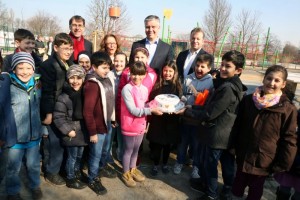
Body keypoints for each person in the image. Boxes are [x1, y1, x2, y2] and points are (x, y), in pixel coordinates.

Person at [181, 50, 247, 200]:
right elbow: (211, 107)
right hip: (224, 133)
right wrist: (192, 108)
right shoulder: (231, 84)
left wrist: (186, 112)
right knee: (224, 163)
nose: (223, 68)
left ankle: (211, 193)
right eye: (222, 64)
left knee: (210, 165)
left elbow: (210, 114)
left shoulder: (228, 89)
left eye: (228, 66)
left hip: (217, 135)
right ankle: (217, 187)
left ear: (238, 70)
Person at [230, 65, 298, 200]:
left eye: (277, 81)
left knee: (255, 190)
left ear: (283, 84)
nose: (271, 83)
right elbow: (237, 125)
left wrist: (282, 164)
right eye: (269, 78)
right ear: (263, 79)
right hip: (243, 154)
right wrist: (232, 146)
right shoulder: (249, 100)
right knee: (237, 186)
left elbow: (289, 139)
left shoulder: (287, 109)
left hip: (264, 160)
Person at [5, 52, 44, 200]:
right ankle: (12, 191)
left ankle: (34, 185)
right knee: (13, 167)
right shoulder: (7, 87)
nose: (25, 72)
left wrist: (43, 128)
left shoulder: (38, 85)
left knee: (33, 165)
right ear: (14, 69)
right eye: (20, 68)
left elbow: (41, 108)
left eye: (28, 68)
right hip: (14, 138)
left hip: (34, 136)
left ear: (33, 69)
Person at [120, 61, 163, 187]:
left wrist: (153, 104)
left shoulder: (144, 88)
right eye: (134, 74)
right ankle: (125, 173)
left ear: (145, 75)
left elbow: (143, 105)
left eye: (140, 74)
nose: (137, 77)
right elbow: (133, 110)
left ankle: (133, 169)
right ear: (130, 73)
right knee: (128, 151)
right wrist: (151, 110)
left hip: (140, 125)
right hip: (129, 125)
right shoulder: (127, 89)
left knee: (136, 150)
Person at [40, 33, 74, 186]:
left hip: (65, 110)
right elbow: (47, 91)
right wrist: (48, 113)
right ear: (55, 48)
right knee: (55, 144)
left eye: (71, 48)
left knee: (64, 141)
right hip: (53, 111)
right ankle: (51, 172)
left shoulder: (69, 62)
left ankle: (60, 169)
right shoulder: (49, 66)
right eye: (65, 48)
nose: (69, 52)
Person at [174, 54, 214, 178]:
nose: (199, 68)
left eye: (203, 66)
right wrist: (183, 102)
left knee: (197, 145)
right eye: (197, 65)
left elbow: (209, 103)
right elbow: (184, 95)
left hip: (198, 121)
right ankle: (179, 162)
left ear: (209, 68)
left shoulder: (211, 82)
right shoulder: (188, 78)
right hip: (185, 119)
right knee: (182, 143)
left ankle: (196, 166)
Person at [116, 47, 157, 166]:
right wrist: (118, 114)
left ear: (147, 59)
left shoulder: (152, 74)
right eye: (137, 57)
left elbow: (150, 95)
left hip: (143, 116)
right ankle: (126, 170)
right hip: (129, 117)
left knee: (137, 147)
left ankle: (133, 167)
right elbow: (120, 95)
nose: (139, 59)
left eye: (142, 57)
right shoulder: (126, 73)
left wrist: (150, 112)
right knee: (128, 148)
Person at [83, 51, 116, 195]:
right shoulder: (92, 84)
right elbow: (87, 111)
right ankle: (92, 178)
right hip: (97, 128)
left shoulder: (107, 79)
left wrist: (112, 118)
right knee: (95, 154)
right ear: (94, 67)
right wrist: (92, 132)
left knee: (104, 151)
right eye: (104, 67)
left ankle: (99, 170)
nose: (107, 70)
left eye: (108, 67)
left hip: (107, 123)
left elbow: (110, 100)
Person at [53, 65, 88, 190]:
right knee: (72, 157)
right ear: (68, 80)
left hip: (83, 132)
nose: (75, 81)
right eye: (72, 78)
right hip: (72, 133)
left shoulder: (85, 93)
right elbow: (58, 117)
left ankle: (77, 172)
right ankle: (70, 177)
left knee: (80, 155)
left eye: (78, 78)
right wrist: (68, 130)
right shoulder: (64, 97)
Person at [146, 60, 183, 176]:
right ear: (162, 71)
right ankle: (156, 165)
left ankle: (165, 164)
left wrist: (177, 109)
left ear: (174, 72)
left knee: (167, 144)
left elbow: (180, 101)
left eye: (170, 71)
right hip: (158, 120)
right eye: (165, 70)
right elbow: (151, 100)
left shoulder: (177, 86)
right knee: (157, 144)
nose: (167, 73)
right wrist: (153, 108)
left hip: (171, 121)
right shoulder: (157, 84)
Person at [109, 52, 128, 161]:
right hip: (111, 110)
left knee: (121, 137)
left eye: (121, 61)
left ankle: (121, 155)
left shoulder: (128, 75)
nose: (118, 63)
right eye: (116, 60)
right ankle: (108, 156)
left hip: (123, 112)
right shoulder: (109, 75)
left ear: (125, 62)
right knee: (110, 136)